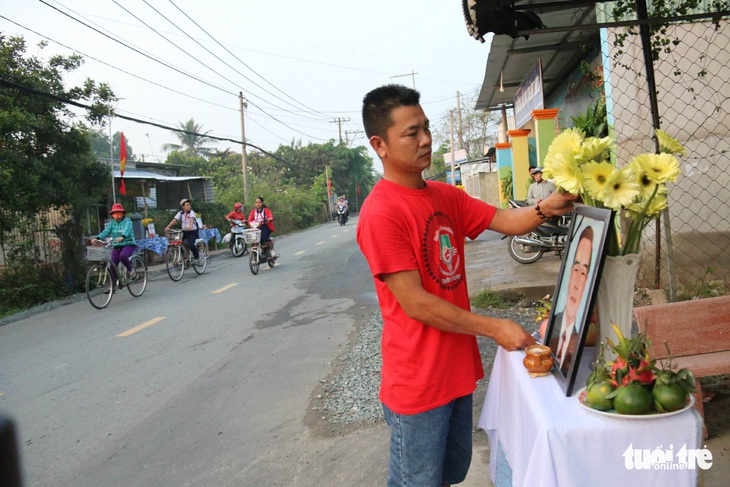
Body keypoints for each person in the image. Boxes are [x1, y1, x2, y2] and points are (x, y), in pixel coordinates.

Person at [356, 84, 575, 487]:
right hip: (418, 381)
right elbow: (417, 304)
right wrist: (496, 327)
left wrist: (547, 206)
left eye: (426, 128)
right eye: (411, 133)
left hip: (455, 369)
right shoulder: (381, 212)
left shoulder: (444, 195)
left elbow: (508, 222)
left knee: (451, 473)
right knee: (417, 482)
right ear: (379, 144)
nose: (425, 140)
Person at [551, 226, 594, 375]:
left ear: (588, 279)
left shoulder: (585, 327)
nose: (576, 283)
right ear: (568, 272)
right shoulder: (553, 326)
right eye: (576, 270)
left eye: (583, 273)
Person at [91, 203, 137, 281]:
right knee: (112, 265)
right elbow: (106, 231)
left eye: (119, 213)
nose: (117, 215)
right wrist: (97, 238)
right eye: (114, 213)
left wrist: (122, 236)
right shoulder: (112, 223)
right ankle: (113, 285)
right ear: (112, 215)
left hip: (128, 244)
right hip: (117, 246)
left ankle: (131, 271)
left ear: (122, 213)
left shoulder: (127, 221)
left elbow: (127, 230)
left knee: (123, 256)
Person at [164, 198, 202, 264]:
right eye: (187, 205)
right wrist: (168, 227)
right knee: (179, 242)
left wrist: (190, 226)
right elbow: (175, 220)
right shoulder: (180, 213)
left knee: (191, 245)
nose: (189, 206)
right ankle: (184, 257)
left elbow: (191, 219)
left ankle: (196, 256)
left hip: (192, 232)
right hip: (184, 231)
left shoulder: (191, 212)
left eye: (189, 205)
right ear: (183, 207)